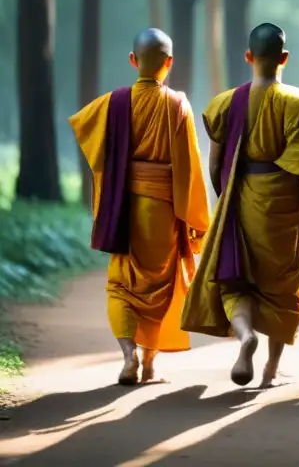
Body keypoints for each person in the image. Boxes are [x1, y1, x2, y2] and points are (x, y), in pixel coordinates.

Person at [180, 23, 299, 389]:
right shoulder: (296, 104)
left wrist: (225, 196)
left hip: (241, 199)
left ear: (248, 56)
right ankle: (270, 372)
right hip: (282, 205)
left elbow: (214, 166)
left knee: (236, 281)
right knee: (283, 287)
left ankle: (245, 336)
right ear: (284, 58)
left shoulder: (224, 103)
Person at [68, 28, 210, 385]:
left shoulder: (114, 103)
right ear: (169, 62)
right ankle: (149, 364)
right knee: (160, 285)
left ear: (133, 61)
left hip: (124, 207)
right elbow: (188, 166)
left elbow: (83, 129)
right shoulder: (178, 104)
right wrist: (193, 218)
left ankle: (129, 353)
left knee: (121, 284)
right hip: (162, 210)